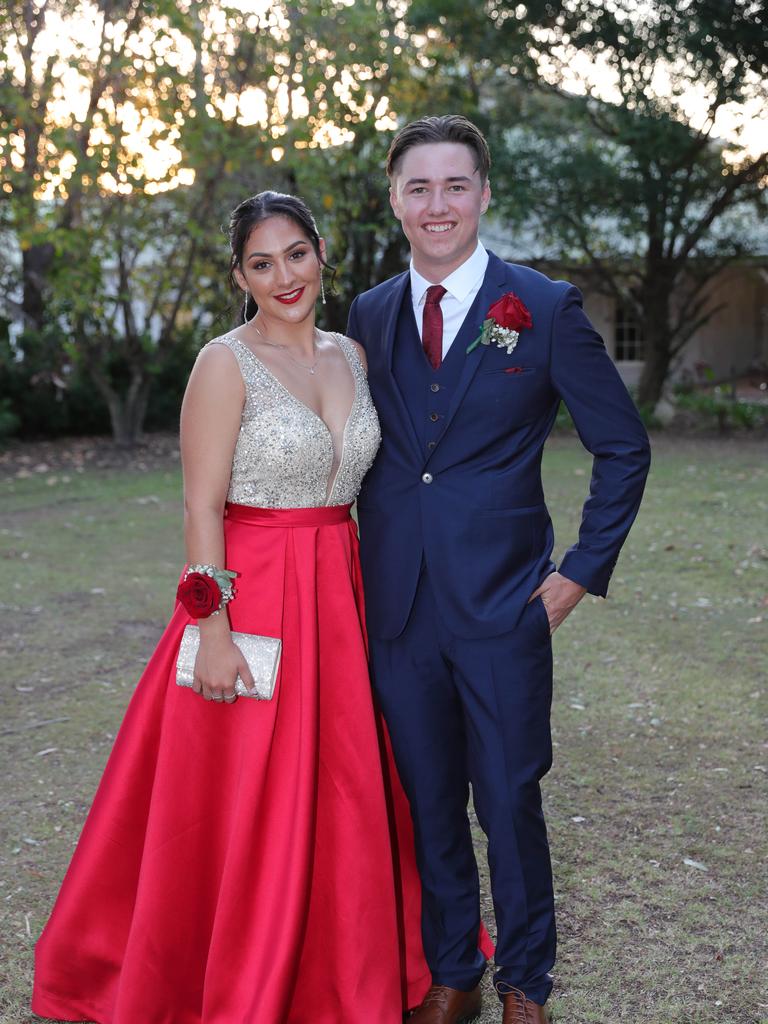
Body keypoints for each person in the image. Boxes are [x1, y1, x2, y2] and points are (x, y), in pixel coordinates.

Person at [31, 190, 433, 1023]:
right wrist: (211, 631)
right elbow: (200, 507)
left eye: (295, 254)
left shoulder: (352, 356)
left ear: (322, 253)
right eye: (261, 263)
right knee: (242, 798)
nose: (283, 276)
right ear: (239, 275)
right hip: (249, 594)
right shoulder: (224, 361)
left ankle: (340, 966)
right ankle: (231, 970)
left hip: (338, 592)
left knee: (347, 787)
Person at [347, 115, 651, 1024]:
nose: (436, 205)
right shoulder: (367, 314)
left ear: (484, 193)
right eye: (418, 188)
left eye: (454, 185)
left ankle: (527, 983)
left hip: (506, 606)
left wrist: (577, 574)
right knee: (427, 798)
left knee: (509, 801)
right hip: (397, 606)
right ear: (395, 200)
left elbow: (623, 449)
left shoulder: (543, 308)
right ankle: (453, 973)